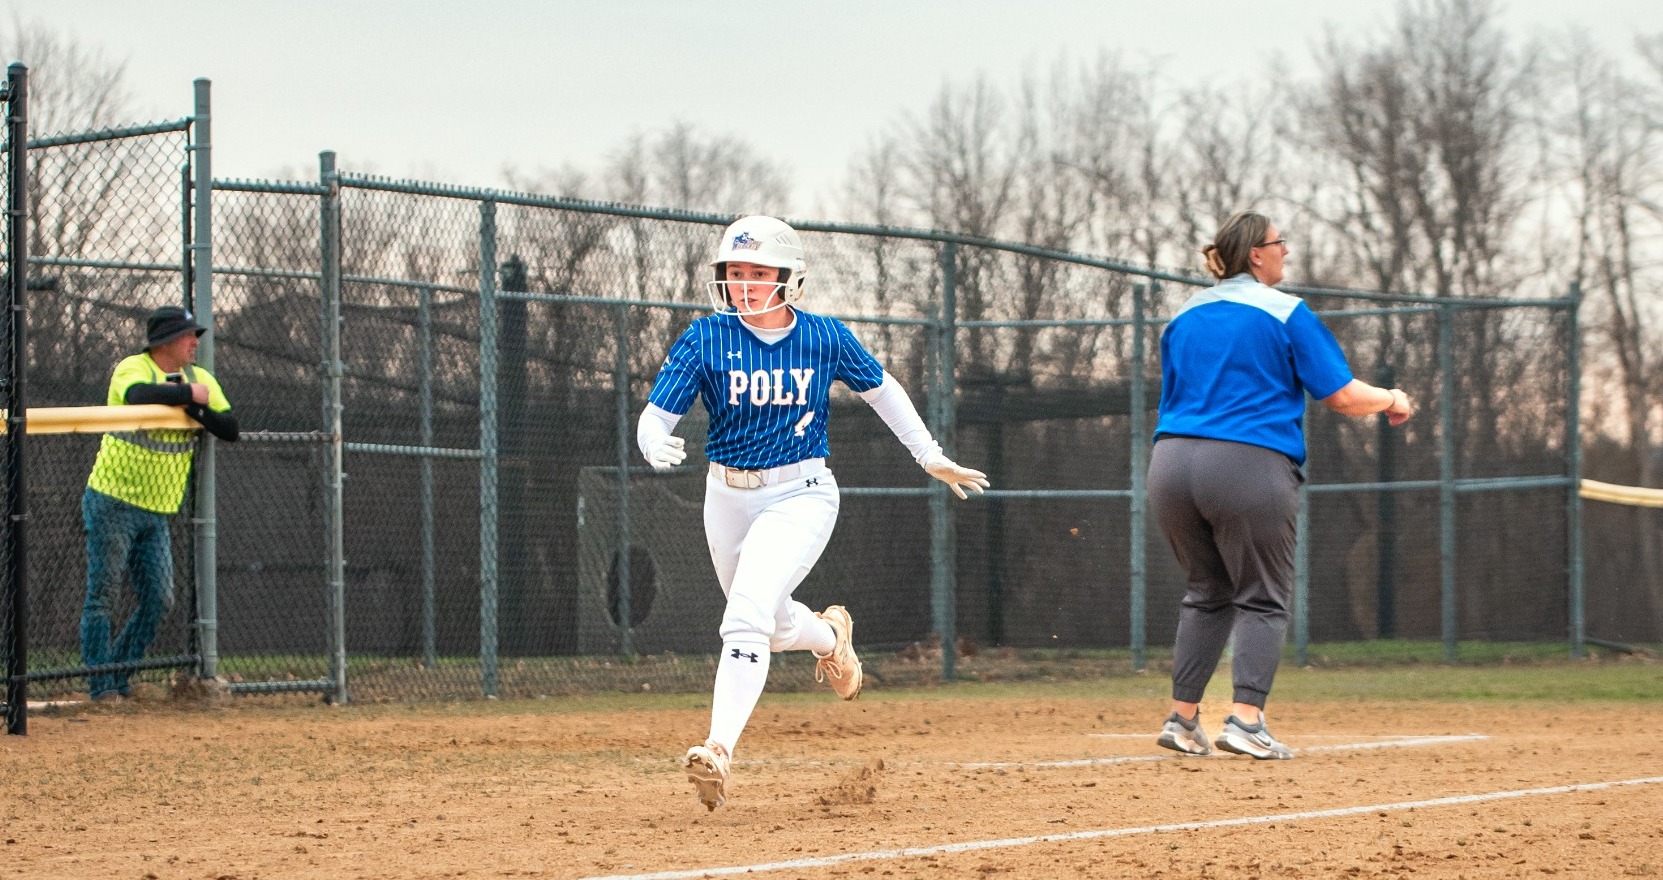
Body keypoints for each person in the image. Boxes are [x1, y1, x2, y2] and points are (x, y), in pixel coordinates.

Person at [638, 215, 989, 810]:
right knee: (771, 628)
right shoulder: (706, 337)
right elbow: (656, 415)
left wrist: (928, 454)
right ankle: (830, 637)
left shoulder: (823, 336)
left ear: (790, 278)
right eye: (734, 272)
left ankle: (718, 751)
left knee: (745, 616)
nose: (743, 284)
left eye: (758, 273)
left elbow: (882, 389)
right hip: (726, 496)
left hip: (800, 493)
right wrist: (651, 439)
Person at [1150, 211, 1413, 760]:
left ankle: (1183, 719)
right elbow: (1342, 396)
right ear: (1256, 254)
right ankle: (1246, 721)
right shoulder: (1285, 310)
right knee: (1263, 596)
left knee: (1207, 591)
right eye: (1279, 243)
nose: (1285, 252)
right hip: (1245, 463)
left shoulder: (1184, 315)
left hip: (1170, 464)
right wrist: (1392, 398)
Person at [81, 305, 239, 702]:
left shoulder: (200, 378)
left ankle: (117, 673)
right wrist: (186, 396)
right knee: (103, 596)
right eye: (188, 335)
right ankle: (101, 687)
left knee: (159, 600)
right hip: (113, 501)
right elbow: (137, 395)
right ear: (166, 340)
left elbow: (229, 427)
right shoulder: (133, 368)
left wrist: (193, 405)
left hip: (157, 511)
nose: (195, 342)